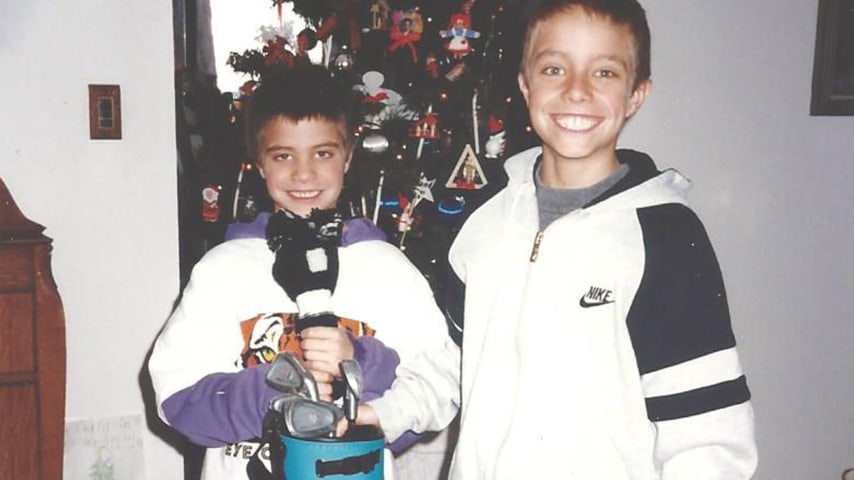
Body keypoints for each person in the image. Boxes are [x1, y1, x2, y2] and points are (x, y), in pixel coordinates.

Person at [359, 0, 758, 478]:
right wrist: (383, 415)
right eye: (554, 68)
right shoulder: (485, 223)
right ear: (525, 84)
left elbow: (708, 437)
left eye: (605, 73)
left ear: (637, 94)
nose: (576, 91)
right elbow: (456, 364)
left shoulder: (666, 236)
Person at [148, 65, 455, 480]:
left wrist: (363, 371)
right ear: (259, 162)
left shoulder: (387, 269)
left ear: (348, 156)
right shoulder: (224, 270)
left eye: (323, 153)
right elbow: (177, 396)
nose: (304, 173)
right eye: (283, 156)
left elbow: (439, 382)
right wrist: (270, 396)